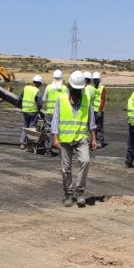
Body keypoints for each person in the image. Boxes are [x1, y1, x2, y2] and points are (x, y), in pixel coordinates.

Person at [52, 70, 98, 206]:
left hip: (81, 137)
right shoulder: (61, 99)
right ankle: (68, 194)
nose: (78, 92)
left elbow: (91, 120)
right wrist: (55, 137)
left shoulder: (86, 99)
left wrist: (94, 138)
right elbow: (55, 120)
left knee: (85, 161)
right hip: (65, 139)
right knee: (66, 168)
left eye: (80, 89)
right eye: (76, 89)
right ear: (70, 86)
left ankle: (80, 191)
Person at [42, 71, 65, 156]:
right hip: (61, 113)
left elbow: (44, 99)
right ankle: (62, 149)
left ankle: (48, 150)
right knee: (61, 130)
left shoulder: (49, 87)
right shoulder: (65, 88)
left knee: (49, 131)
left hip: (50, 113)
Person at [19, 74, 43, 151]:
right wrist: (39, 110)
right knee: (32, 128)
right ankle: (30, 145)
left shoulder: (25, 88)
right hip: (33, 111)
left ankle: (23, 143)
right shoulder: (37, 91)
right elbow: (39, 103)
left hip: (25, 110)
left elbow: (20, 97)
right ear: (39, 83)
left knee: (25, 126)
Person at [92, 72, 108, 147]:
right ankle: (94, 140)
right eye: (94, 80)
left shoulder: (102, 88)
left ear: (99, 80)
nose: (95, 81)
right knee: (93, 126)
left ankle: (100, 141)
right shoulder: (93, 88)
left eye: (96, 80)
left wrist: (100, 110)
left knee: (99, 127)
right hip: (93, 110)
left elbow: (103, 100)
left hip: (99, 111)